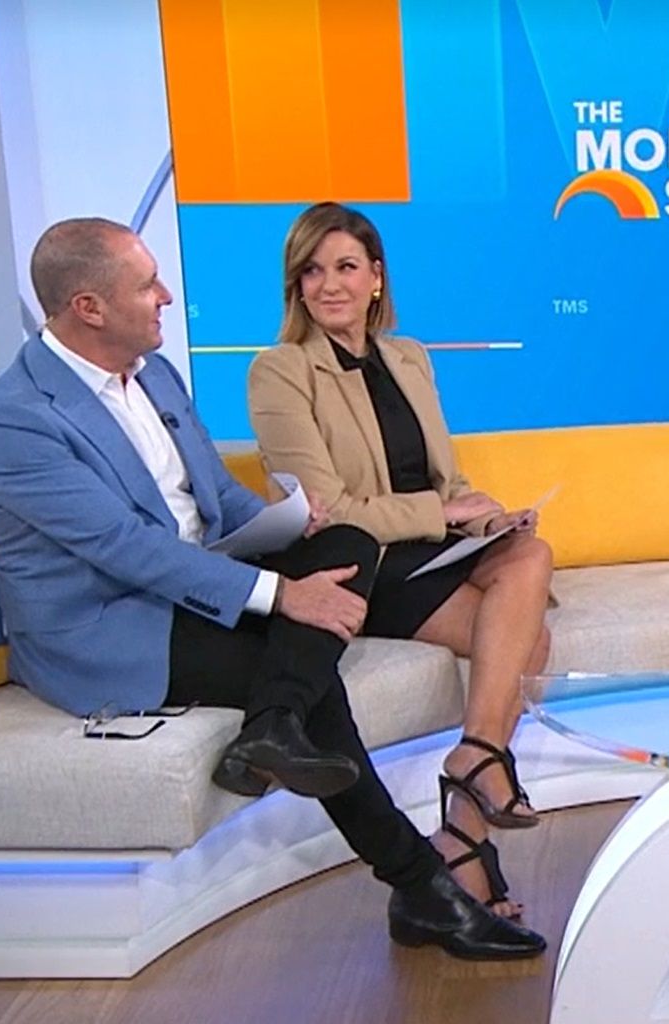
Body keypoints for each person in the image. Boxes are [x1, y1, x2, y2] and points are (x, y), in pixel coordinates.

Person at [0, 217, 543, 960]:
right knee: (311, 678)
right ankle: (422, 884)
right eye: (147, 285)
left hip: (198, 585)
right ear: (89, 308)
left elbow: (217, 499)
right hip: (112, 624)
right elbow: (126, 549)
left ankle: (273, 729)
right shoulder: (15, 421)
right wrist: (279, 592)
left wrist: (299, 527)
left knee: (345, 544)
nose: (166, 296)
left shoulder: (155, 376)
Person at [246, 202, 555, 921]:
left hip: (434, 544)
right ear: (296, 287)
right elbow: (327, 509)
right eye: (312, 271)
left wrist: (484, 514)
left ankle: (470, 773)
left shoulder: (408, 356)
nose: (330, 285)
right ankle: (467, 826)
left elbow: (443, 479)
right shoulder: (280, 371)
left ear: (376, 278)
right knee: (529, 642)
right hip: (362, 563)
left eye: (346, 267)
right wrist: (439, 514)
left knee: (528, 549)